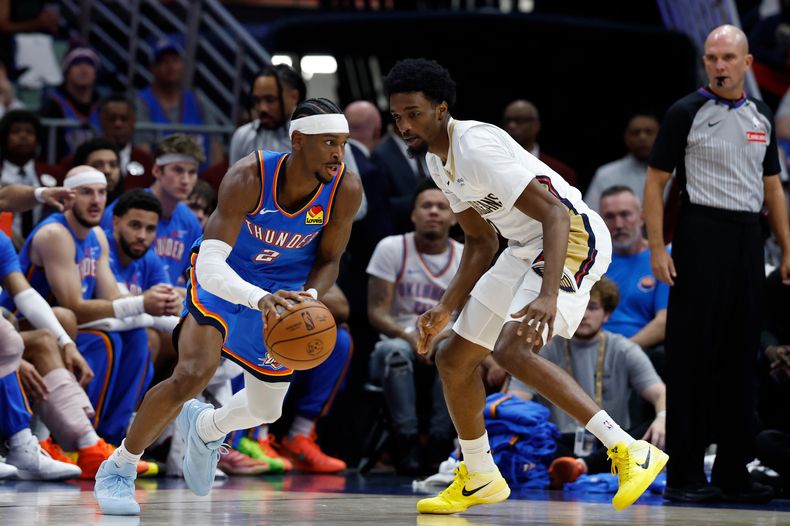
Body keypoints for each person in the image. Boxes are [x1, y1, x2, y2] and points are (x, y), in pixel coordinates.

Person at [384, 58, 666, 515]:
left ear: (441, 109)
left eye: (413, 113)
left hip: (573, 235)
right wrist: (444, 308)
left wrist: (548, 295)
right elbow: (480, 242)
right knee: (453, 357)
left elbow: (555, 213)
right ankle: (478, 475)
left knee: (514, 349)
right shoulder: (439, 163)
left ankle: (630, 450)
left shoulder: (473, 146)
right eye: (397, 117)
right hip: (522, 245)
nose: (404, 125)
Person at [93, 98, 362, 515]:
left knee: (266, 407)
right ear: (298, 141)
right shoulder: (249, 175)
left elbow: (329, 260)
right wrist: (258, 298)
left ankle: (207, 427)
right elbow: (213, 264)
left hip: (286, 290)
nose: (337, 154)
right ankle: (119, 467)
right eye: (329, 142)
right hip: (226, 274)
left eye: (342, 143)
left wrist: (306, 302)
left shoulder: (344, 188)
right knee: (191, 374)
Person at [643, 24, 790, 504]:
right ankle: (684, 477)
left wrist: (787, 249)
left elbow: (772, 188)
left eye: (728, 57)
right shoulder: (686, 111)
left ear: (748, 63)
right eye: (712, 58)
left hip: (749, 237)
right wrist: (657, 249)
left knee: (741, 360)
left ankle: (734, 473)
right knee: (692, 360)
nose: (719, 66)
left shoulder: (762, 115)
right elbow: (654, 183)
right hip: (700, 234)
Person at [1, 166, 180, 447]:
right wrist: (143, 304)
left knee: (137, 337)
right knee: (98, 339)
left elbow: (111, 300)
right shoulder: (55, 234)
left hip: (66, 325)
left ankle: (116, 437)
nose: (96, 200)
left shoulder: (96, 236)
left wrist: (157, 308)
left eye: (101, 192)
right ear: (67, 197)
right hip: (26, 323)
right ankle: (71, 438)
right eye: (86, 193)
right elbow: (75, 305)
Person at [507, 278, 666, 486]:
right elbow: (515, 400)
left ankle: (579, 466)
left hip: (612, 441)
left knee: (665, 424)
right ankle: (582, 466)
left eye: (592, 307)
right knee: (515, 427)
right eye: (580, 307)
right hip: (560, 440)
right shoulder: (545, 347)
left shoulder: (624, 348)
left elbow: (660, 392)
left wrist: (662, 417)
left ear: (607, 314)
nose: (585, 315)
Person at [367, 178, 462, 475]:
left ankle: (438, 441)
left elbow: (471, 317)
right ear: (413, 215)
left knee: (456, 353)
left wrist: (437, 338)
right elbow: (376, 312)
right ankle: (404, 440)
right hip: (398, 340)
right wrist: (412, 338)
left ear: (455, 216)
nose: (433, 212)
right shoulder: (392, 248)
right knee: (394, 351)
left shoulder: (466, 255)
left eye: (441, 206)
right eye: (426, 205)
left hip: (446, 338)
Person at [101, 134, 204, 289]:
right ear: (156, 170)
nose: (185, 180)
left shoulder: (191, 224)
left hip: (168, 303)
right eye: (178, 170)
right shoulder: (123, 210)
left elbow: (196, 281)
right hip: (122, 296)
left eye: (192, 172)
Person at [598, 186, 668, 350]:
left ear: (642, 217)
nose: (618, 224)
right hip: (589, 349)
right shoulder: (594, 262)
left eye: (625, 214)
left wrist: (623, 351)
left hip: (641, 352)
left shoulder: (662, 258)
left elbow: (664, 322)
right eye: (610, 217)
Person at [135, 38, 220, 166]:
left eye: (175, 61)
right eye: (163, 62)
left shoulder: (197, 100)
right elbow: (143, 150)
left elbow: (215, 143)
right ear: (152, 68)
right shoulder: (142, 102)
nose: (170, 67)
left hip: (199, 178)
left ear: (183, 65)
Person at [0, 109, 64, 240]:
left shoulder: (55, 173)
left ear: (38, 139)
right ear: (4, 137)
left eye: (29, 132)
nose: (23, 136)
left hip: (46, 245)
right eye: (16, 131)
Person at [228, 65, 306, 165]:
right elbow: (235, 180)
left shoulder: (310, 137)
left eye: (270, 99)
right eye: (256, 100)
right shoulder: (243, 136)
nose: (262, 108)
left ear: (294, 97)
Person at [584, 113, 660, 212]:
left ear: (661, 135)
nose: (642, 137)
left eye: (649, 132)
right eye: (636, 132)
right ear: (626, 138)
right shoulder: (605, 175)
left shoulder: (675, 173)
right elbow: (590, 215)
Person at [39, 45, 101, 161]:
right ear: (66, 71)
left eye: (89, 63)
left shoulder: (103, 106)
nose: (84, 69)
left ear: (96, 72)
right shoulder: (53, 106)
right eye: (77, 63)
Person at [502, 99, 577, 185]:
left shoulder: (560, 172)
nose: (511, 125)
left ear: (536, 125)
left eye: (519, 120)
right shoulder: (494, 163)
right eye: (507, 120)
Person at [98, 93, 154, 189]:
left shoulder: (147, 161)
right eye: (112, 119)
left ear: (133, 122)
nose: (118, 124)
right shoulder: (88, 160)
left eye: (124, 119)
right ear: (102, 122)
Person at [72, 138, 122, 203]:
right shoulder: (62, 208)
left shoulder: (129, 207)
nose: (107, 171)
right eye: (98, 165)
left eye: (113, 165)